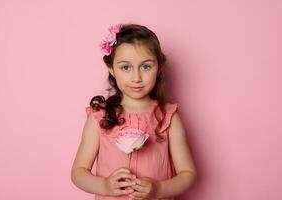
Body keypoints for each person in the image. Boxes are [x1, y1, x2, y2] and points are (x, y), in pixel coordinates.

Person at [71, 23, 197, 200]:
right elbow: (78, 173)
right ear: (111, 69)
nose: (136, 78)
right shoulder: (99, 117)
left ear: (159, 67)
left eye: (146, 67)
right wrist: (104, 186)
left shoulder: (168, 117)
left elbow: (188, 174)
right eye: (125, 67)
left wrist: (159, 189)